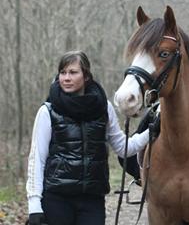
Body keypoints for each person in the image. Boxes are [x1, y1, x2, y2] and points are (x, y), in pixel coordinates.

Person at [26, 50, 149, 225]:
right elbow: (36, 160)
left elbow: (123, 148)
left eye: (73, 72)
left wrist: (151, 132)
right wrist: (34, 205)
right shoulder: (48, 111)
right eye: (63, 72)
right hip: (57, 199)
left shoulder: (104, 108)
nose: (66, 78)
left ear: (86, 76)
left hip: (92, 199)